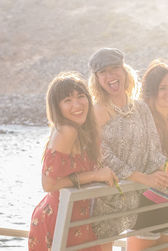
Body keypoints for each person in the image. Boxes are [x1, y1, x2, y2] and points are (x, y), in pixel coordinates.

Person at [88, 48, 168, 251]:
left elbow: (153, 153)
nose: (111, 76)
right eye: (103, 72)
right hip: (109, 199)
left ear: (125, 71)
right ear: (96, 79)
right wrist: (144, 179)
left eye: (115, 69)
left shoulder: (140, 108)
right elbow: (104, 157)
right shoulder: (98, 111)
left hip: (136, 197)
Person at [28, 72, 117, 251]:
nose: (77, 105)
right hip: (60, 219)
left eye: (81, 96)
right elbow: (49, 184)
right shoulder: (66, 131)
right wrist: (95, 175)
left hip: (81, 217)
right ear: (57, 107)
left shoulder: (85, 131)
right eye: (67, 100)